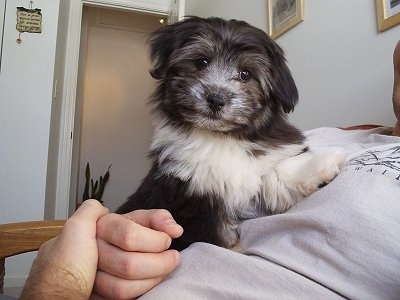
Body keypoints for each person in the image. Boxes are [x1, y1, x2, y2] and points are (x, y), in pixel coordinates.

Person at [3, 40, 400, 299]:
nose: (217, 89)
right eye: (201, 62)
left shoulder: (289, 148)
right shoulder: (328, 138)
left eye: (245, 75)